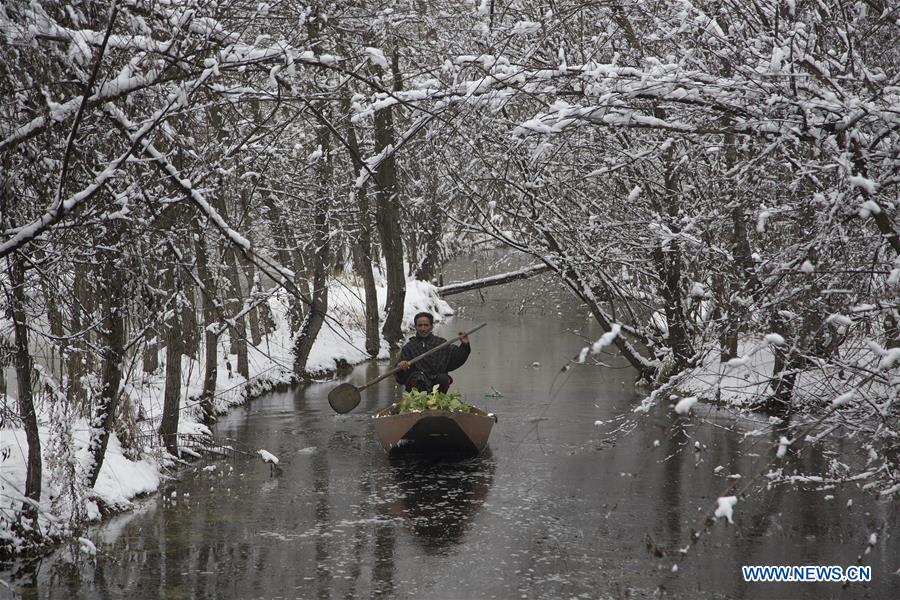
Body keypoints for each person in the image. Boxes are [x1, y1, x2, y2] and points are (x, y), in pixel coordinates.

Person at [395, 312, 470, 393]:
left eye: (426, 325)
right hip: (417, 387)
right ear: (416, 327)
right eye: (420, 325)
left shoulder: (441, 343)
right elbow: (400, 373)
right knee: (418, 378)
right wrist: (401, 366)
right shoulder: (409, 347)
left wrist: (465, 345)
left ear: (431, 327)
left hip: (437, 385)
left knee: (443, 378)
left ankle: (438, 400)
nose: (423, 329)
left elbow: (457, 357)